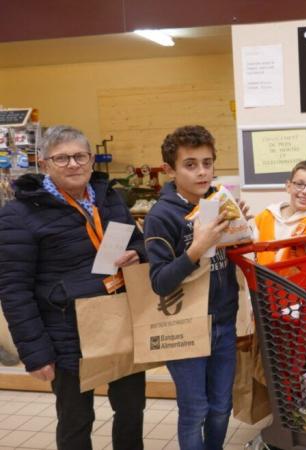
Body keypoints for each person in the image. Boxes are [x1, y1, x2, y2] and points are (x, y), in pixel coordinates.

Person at [0, 125, 146, 450]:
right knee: (76, 420)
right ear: (44, 163)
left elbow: (138, 242)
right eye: (62, 158)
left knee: (132, 410)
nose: (73, 164)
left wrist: (139, 252)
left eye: (79, 156)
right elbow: (14, 290)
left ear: (91, 160)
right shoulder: (19, 215)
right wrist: (35, 353)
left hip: (120, 323)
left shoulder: (110, 199)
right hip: (67, 335)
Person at [144, 125, 241, 450]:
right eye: (190, 164)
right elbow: (160, 282)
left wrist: (240, 232)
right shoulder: (162, 215)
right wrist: (197, 248)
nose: (202, 172)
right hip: (184, 326)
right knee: (195, 410)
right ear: (170, 170)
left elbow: (227, 261)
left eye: (208, 163)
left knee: (221, 407)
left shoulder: (217, 201)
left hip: (224, 323)